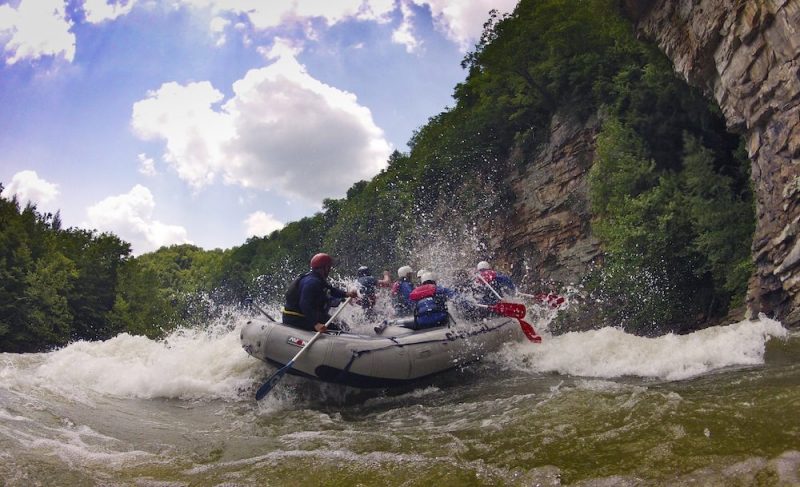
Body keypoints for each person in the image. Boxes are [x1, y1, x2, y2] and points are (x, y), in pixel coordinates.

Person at [282, 253, 358, 333]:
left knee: (342, 326)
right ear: (323, 268)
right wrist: (316, 324)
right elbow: (304, 304)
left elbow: (332, 290)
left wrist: (346, 294)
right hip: (296, 318)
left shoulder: (317, 278)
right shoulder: (312, 282)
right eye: (329, 267)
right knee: (336, 329)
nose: (330, 270)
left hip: (304, 315)